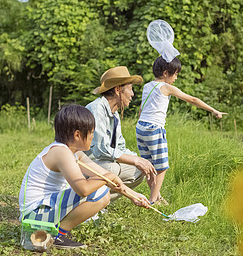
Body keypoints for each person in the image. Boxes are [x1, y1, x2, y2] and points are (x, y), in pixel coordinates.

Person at [19, 105, 150, 250]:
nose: (93, 137)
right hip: (34, 216)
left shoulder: (73, 153)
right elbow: (83, 189)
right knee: (100, 193)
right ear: (77, 135)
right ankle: (57, 236)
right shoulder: (61, 153)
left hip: (42, 211)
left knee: (102, 192)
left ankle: (56, 232)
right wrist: (108, 177)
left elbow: (100, 173)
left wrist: (133, 195)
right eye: (91, 133)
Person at [136, 56, 228, 205]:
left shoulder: (147, 86)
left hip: (140, 128)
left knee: (149, 166)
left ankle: (157, 196)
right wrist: (213, 110)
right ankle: (152, 201)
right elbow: (192, 99)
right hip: (154, 129)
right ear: (166, 73)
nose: (176, 78)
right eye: (176, 74)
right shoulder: (166, 87)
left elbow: (141, 109)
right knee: (162, 167)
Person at [85, 66, 157, 201]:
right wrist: (135, 160)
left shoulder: (115, 114)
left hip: (100, 164)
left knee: (139, 171)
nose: (132, 94)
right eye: (130, 89)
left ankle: (100, 201)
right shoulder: (96, 109)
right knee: (111, 168)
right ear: (118, 89)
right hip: (83, 166)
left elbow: (120, 148)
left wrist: (142, 162)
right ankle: (87, 202)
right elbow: (101, 150)